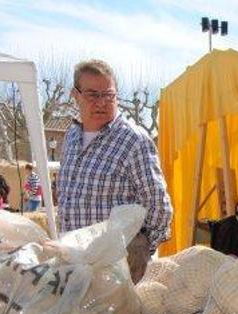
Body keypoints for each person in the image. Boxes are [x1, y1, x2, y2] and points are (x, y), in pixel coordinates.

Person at [57, 59, 172, 283]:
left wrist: (138, 252)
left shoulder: (134, 140)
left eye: (108, 95)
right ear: (76, 95)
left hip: (114, 273)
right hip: (73, 266)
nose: (101, 103)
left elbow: (160, 208)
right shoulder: (71, 138)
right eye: (92, 94)